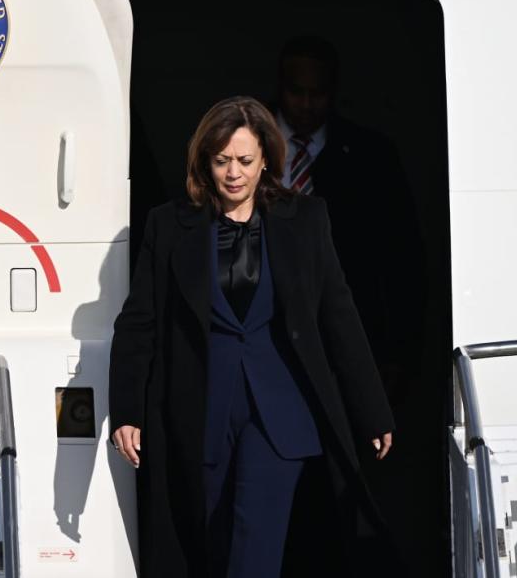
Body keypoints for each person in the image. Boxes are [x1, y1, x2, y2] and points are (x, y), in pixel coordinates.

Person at [108, 96, 394, 578]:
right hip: (199, 411)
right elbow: (140, 321)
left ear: (267, 161)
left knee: (254, 538)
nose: (234, 173)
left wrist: (371, 408)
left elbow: (338, 316)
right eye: (222, 161)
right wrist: (128, 409)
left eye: (244, 160)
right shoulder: (168, 225)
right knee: (209, 541)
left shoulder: (305, 220)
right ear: (205, 162)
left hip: (280, 411)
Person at [275, 35, 425, 402]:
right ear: (280, 88)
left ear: (334, 91)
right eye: (297, 92)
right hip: (261, 332)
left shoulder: (371, 157)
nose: (307, 105)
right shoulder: (242, 146)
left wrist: (397, 353)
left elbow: (401, 260)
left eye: (318, 93)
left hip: (346, 340)